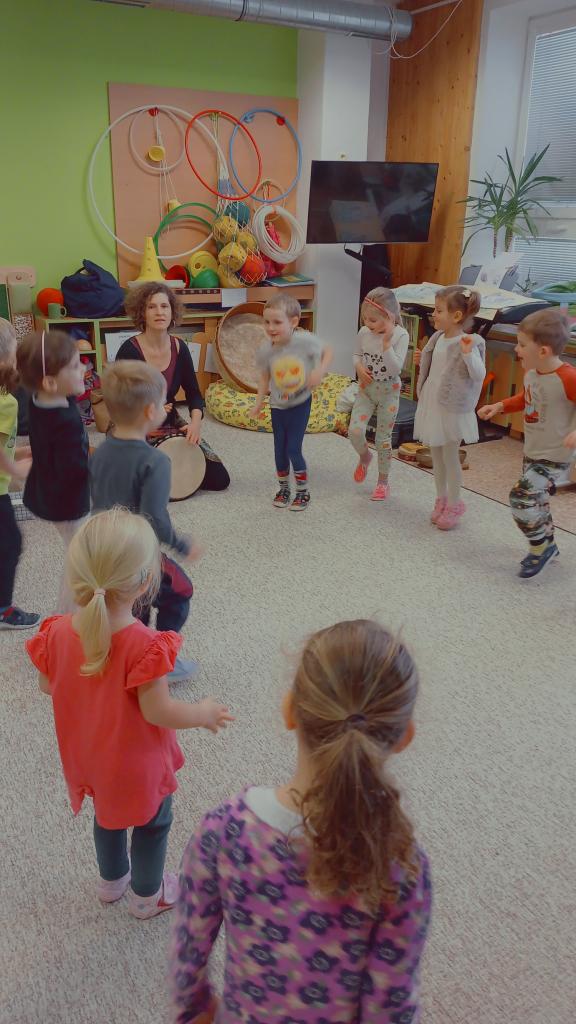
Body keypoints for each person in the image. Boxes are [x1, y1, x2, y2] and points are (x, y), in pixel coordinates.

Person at [169, 619, 431, 1024]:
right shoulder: (399, 862)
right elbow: (390, 1004)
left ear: (290, 710)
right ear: (403, 737)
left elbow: (188, 953)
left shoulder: (224, 831)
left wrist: (195, 1011)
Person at [26, 509, 233, 920]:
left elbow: (48, 686)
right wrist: (202, 713)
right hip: (136, 765)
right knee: (153, 824)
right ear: (145, 582)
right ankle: (146, 896)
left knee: (107, 816)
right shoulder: (145, 644)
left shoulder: (57, 631)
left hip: (89, 756)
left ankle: (112, 881)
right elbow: (159, 711)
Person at [90, 360, 201, 682]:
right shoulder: (156, 461)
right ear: (151, 411)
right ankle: (159, 658)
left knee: (129, 604)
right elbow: (155, 520)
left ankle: (128, 655)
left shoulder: (100, 453)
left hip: (105, 549)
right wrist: (183, 545)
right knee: (180, 591)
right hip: (138, 551)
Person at [478, 309, 576, 579]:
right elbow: (525, 398)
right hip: (533, 450)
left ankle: (540, 547)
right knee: (539, 499)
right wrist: (500, 405)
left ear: (543, 351)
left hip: (556, 455)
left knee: (521, 497)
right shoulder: (532, 373)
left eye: (521, 344)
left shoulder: (568, 377)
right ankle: (550, 543)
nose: (516, 349)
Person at [118, 282, 230, 492]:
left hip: (169, 420)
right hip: (134, 425)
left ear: (172, 312)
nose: (159, 312)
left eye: (164, 306)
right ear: (142, 312)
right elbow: (120, 403)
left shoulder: (180, 348)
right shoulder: (129, 351)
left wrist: (195, 424)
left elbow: (194, 393)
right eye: (152, 307)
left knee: (219, 479)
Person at [16, 329, 90, 608]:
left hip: (47, 493)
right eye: (76, 366)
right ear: (49, 381)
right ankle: (69, 616)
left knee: (76, 554)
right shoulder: (66, 423)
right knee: (82, 562)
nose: (84, 369)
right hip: (69, 505)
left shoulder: (40, 399)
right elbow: (76, 472)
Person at [250, 295, 333, 510]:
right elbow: (264, 378)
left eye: (277, 322)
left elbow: (328, 351)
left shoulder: (304, 341)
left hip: (300, 404)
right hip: (277, 406)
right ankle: (284, 489)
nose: (271, 327)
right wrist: (258, 403)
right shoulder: (266, 350)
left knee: (293, 449)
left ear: (294, 322)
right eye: (267, 322)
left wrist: (319, 371)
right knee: (279, 451)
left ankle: (303, 492)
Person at [414, 285, 485, 530]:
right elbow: (435, 366)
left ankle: (455, 504)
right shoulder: (437, 338)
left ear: (456, 316)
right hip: (433, 401)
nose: (433, 314)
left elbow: (478, 374)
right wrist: (422, 359)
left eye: (438, 310)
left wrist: (468, 354)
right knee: (436, 455)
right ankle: (441, 499)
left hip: (452, 407)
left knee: (450, 457)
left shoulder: (470, 341)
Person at [349, 287, 410, 500]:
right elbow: (356, 354)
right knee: (355, 431)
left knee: (383, 439)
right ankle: (365, 457)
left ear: (390, 317)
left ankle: (383, 482)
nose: (368, 323)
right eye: (365, 319)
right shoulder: (364, 332)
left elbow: (395, 369)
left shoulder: (401, 335)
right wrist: (358, 368)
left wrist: (386, 345)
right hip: (366, 390)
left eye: (373, 320)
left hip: (388, 393)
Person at [0, 319, 39, 629]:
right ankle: (3, 610)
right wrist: (16, 469)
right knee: (10, 543)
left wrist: (19, 452)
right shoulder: (6, 403)